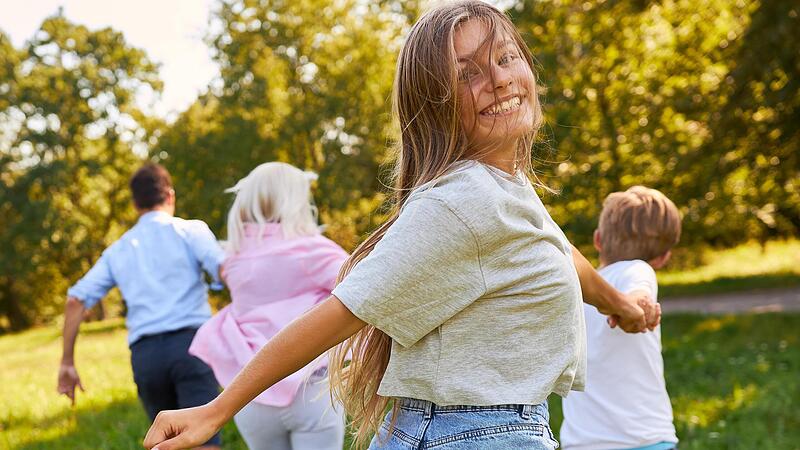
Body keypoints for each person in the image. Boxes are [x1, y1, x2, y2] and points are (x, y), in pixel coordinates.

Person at [142, 2, 660, 449]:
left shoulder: (505, 188)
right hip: (475, 433)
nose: (500, 79)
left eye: (505, 58)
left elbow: (556, 249)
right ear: (435, 104)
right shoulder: (466, 200)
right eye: (468, 73)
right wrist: (217, 409)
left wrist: (621, 306)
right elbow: (343, 312)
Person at [57, 163, 225, 449]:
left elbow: (75, 301)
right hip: (193, 348)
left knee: (166, 442)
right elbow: (225, 270)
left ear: (135, 204)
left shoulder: (118, 250)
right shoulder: (191, 231)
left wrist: (67, 362)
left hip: (147, 358)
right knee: (203, 442)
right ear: (170, 195)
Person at [188, 162, 348, 450]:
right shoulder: (311, 249)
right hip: (310, 390)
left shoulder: (234, 259)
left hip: (251, 395)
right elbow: (363, 291)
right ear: (297, 201)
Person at [561, 186, 681, 450]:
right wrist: (639, 304)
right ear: (663, 257)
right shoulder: (639, 268)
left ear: (598, 240)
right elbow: (639, 288)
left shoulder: (578, 291)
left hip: (583, 443)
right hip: (644, 439)